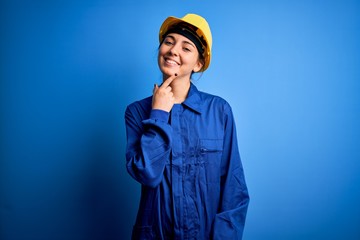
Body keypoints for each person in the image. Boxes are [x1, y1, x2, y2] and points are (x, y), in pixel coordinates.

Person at [125, 13, 249, 239]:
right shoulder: (136, 112)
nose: (173, 50)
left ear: (199, 63)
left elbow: (234, 188)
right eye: (169, 42)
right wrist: (159, 113)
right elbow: (147, 174)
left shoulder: (219, 111)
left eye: (186, 47)